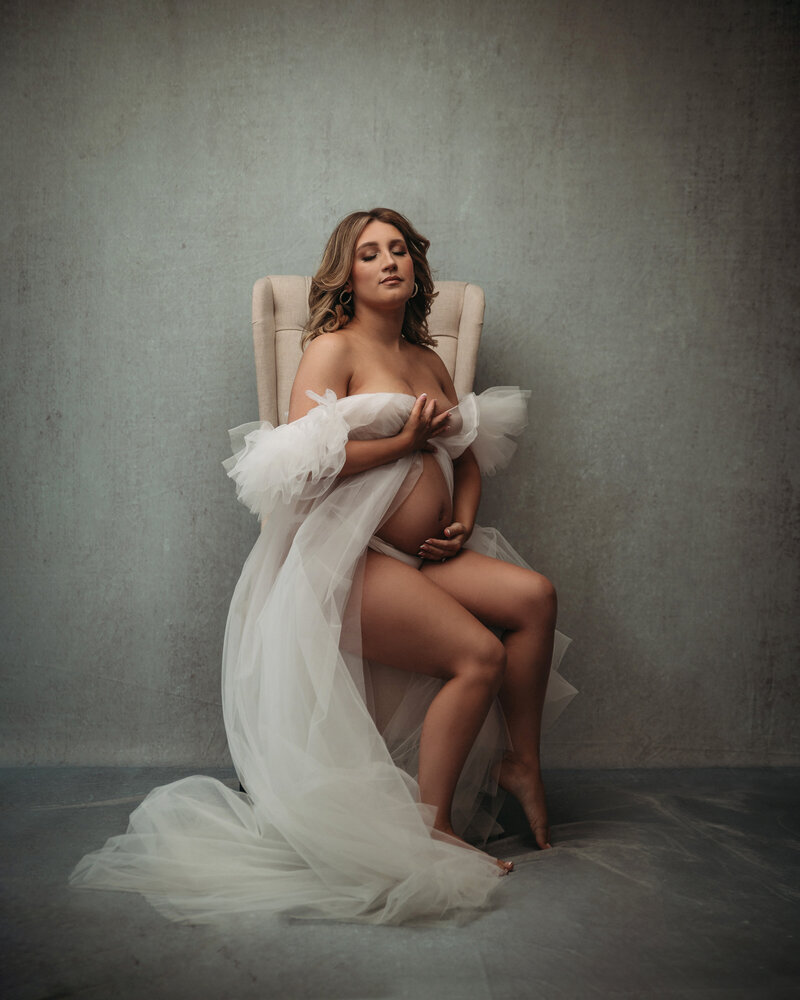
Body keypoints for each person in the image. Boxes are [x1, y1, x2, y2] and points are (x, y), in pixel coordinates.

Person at [70, 208, 575, 925]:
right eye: (370, 254)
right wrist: (402, 443)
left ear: (415, 267)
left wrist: (461, 515)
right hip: (345, 559)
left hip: (424, 554)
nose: (389, 261)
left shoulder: (427, 358)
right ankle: (434, 828)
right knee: (477, 656)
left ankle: (520, 760)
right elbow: (302, 471)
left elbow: (466, 453)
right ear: (349, 274)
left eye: (399, 249)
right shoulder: (330, 350)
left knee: (534, 597)